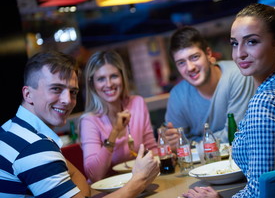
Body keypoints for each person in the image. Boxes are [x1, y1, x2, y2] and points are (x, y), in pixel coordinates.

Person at [183, 4, 275, 198]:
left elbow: (260, 193)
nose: (239, 53)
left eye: (252, 42)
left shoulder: (265, 103)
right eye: (235, 43)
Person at [0, 50, 159, 198]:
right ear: (28, 94)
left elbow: (80, 180)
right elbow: (91, 177)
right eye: (56, 89)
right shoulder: (35, 147)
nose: (67, 100)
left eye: (73, 92)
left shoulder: (12, 130)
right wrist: (139, 181)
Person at [164, 26, 255, 150]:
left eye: (194, 57)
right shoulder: (177, 95)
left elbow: (236, 134)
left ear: (208, 53)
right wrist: (172, 141)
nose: (190, 67)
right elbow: (177, 144)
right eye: (181, 63)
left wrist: (192, 144)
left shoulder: (238, 75)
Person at [80, 50, 158, 182]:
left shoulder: (137, 103)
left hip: (139, 183)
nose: (109, 84)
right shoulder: (89, 121)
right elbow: (94, 175)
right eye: (101, 79)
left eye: (114, 76)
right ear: (92, 84)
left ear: (122, 77)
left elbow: (151, 150)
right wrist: (115, 131)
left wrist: (168, 147)